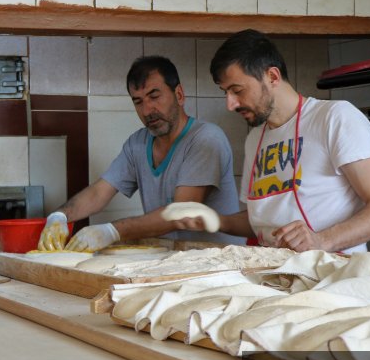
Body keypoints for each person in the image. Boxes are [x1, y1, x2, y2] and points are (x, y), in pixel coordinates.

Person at [174, 29, 370, 254]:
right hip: (277, 271)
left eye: (237, 90)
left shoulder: (335, 117)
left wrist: (321, 241)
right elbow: (261, 220)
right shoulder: (255, 138)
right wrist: (215, 220)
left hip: (333, 272)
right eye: (226, 92)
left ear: (272, 76)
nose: (230, 104)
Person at [37, 56, 242, 253]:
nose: (147, 110)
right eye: (138, 101)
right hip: (170, 261)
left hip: (219, 263)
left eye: (154, 96)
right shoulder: (137, 143)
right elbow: (99, 192)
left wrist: (112, 231)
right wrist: (60, 216)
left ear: (179, 95)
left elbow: (181, 212)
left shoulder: (206, 139)